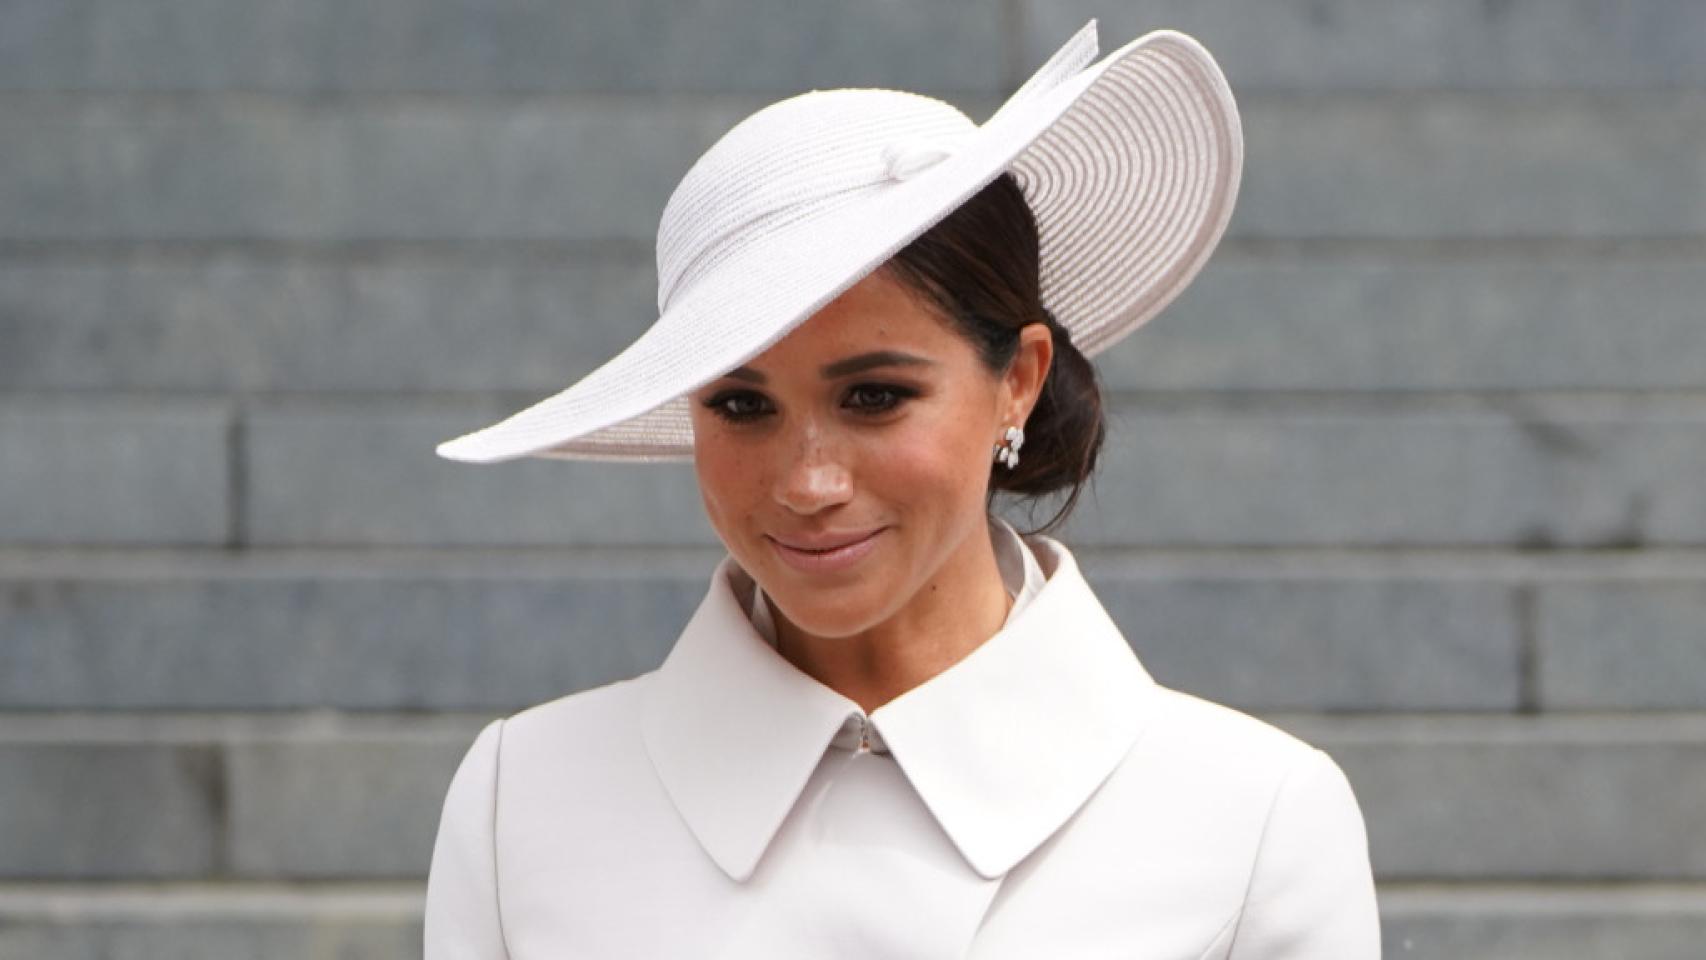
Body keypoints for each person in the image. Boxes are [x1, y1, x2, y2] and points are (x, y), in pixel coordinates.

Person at [423, 21, 1380, 959]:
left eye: (875, 397)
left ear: (1019, 379)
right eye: (742, 406)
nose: (809, 483)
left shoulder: (1254, 825)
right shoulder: (522, 806)